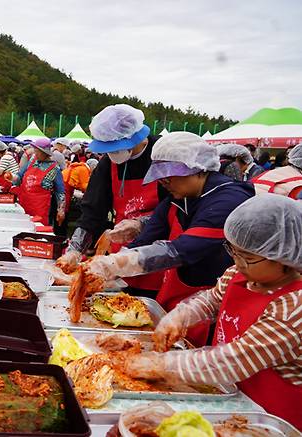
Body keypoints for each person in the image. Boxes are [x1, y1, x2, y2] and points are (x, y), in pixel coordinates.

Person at [121, 195, 302, 429]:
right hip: (229, 399)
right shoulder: (237, 273)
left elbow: (235, 360)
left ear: (284, 257)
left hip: (269, 418)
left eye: (248, 257)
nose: (238, 262)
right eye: (234, 251)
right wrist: (181, 315)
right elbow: (212, 300)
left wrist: (161, 365)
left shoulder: (293, 308)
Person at [83, 132, 254, 345]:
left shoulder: (229, 199)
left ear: (196, 169)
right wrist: (111, 271)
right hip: (175, 297)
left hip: (211, 303)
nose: (163, 182)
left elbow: (181, 250)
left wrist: (113, 264)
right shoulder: (178, 198)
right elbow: (145, 239)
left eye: (169, 175)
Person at [56, 104, 165, 296]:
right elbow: (92, 210)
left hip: (160, 255)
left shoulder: (163, 155)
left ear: (135, 136)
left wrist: (141, 223)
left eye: (116, 147)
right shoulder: (108, 164)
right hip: (120, 254)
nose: (112, 153)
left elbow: (175, 208)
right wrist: (75, 250)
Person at [11, 138, 65, 226]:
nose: (35, 153)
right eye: (35, 151)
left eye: (37, 151)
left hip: (40, 208)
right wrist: (11, 177)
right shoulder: (32, 162)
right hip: (24, 204)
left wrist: (61, 210)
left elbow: (60, 192)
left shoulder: (55, 169)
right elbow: (19, 176)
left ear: (45, 152)